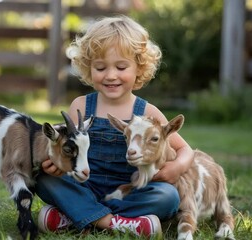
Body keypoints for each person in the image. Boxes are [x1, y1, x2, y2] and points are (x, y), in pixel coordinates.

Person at [35, 15, 195, 238]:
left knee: (167, 197)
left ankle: (75, 216)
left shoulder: (148, 112)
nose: (111, 76)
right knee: (44, 179)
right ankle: (116, 223)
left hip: (129, 191)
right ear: (88, 67)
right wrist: (56, 164)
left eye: (121, 67)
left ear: (139, 67)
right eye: (100, 68)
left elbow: (185, 150)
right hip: (85, 185)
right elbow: (64, 148)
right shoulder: (80, 106)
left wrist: (176, 167)